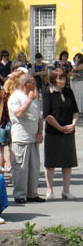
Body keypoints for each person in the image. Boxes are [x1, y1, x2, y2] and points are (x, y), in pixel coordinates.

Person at [7, 70, 44, 204]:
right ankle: (20, 194)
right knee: (21, 168)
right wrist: (29, 100)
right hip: (21, 137)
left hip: (33, 136)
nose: (34, 84)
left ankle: (32, 193)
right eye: (32, 82)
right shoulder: (15, 97)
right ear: (25, 84)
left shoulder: (34, 96)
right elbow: (19, 114)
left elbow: (39, 117)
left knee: (34, 168)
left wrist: (40, 132)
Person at [42, 69, 78, 200]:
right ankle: (49, 190)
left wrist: (73, 124)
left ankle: (66, 191)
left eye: (63, 78)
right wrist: (59, 127)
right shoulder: (48, 93)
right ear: (53, 80)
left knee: (67, 163)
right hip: (53, 132)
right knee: (51, 163)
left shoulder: (68, 91)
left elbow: (75, 110)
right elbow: (47, 115)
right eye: (60, 79)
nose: (62, 81)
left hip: (68, 131)